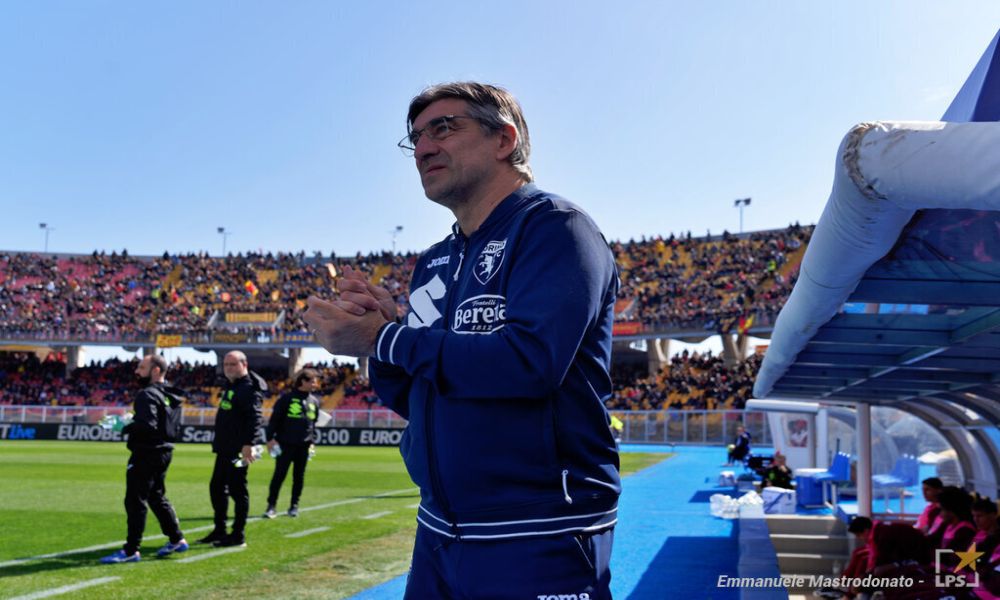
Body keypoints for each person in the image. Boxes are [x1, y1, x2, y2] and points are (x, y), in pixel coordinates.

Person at [304, 81, 621, 599]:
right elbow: (416, 396)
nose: (423, 148)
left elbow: (529, 364)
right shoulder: (434, 262)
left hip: (538, 530)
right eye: (416, 138)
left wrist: (386, 338)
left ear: (504, 140)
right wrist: (382, 338)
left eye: (444, 128)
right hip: (438, 529)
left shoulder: (556, 229)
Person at [101, 354, 188, 564]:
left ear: (155, 370)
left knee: (135, 500)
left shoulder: (146, 394)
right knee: (156, 496)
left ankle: (131, 550)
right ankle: (177, 539)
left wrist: (123, 426)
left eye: (141, 367)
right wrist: (133, 420)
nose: (137, 371)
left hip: (146, 452)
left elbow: (148, 426)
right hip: (164, 451)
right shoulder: (171, 394)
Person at [197, 350, 266, 548]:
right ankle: (220, 530)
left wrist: (249, 444)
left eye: (233, 364)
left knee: (237, 489)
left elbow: (255, 418)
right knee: (217, 488)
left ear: (244, 365)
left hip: (238, 450)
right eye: (226, 364)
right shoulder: (232, 386)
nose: (228, 368)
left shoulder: (249, 388)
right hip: (225, 448)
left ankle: (238, 534)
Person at [263, 368, 321, 518]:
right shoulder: (286, 399)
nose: (315, 384)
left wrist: (312, 441)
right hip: (285, 444)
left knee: (299, 477)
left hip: (304, 446)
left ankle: (294, 506)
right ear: (303, 382)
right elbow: (274, 420)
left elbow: (313, 424)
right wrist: (269, 439)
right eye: (313, 381)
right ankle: (271, 506)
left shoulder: (314, 401)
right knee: (279, 475)